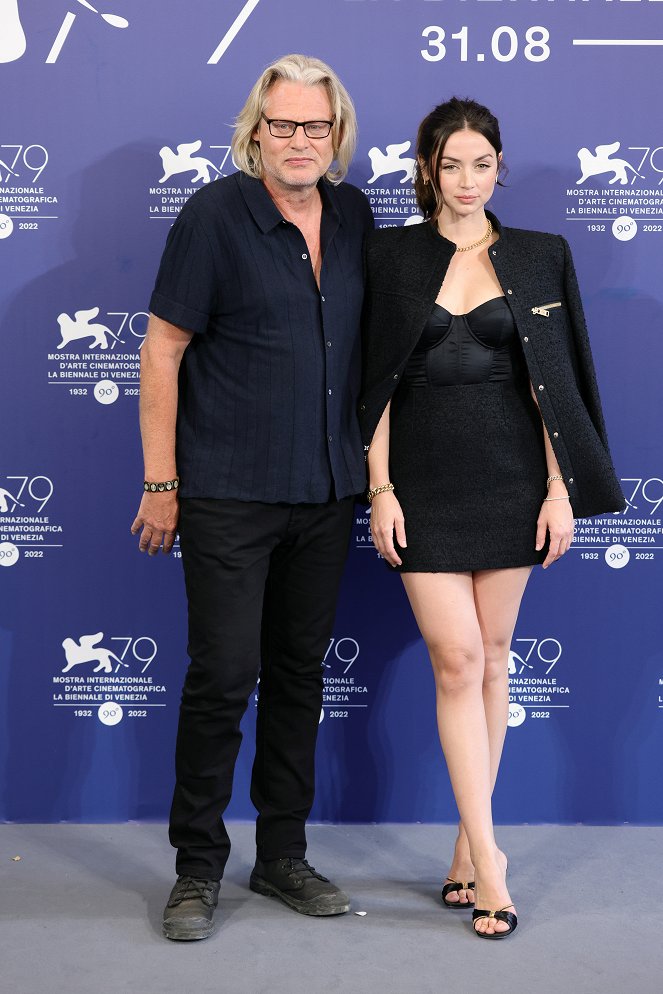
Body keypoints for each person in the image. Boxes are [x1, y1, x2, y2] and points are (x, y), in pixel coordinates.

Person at [359, 97, 624, 940]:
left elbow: (559, 383)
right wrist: (381, 491)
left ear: (497, 167)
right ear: (426, 170)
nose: (466, 181)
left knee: (496, 658)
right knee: (456, 658)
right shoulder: (391, 257)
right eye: (450, 165)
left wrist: (557, 492)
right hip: (423, 487)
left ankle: (466, 854)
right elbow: (373, 391)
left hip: (513, 482)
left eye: (481, 165)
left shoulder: (541, 256)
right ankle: (492, 860)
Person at [131, 54, 373, 941]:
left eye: (315, 126)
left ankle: (281, 857)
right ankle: (197, 870)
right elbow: (160, 350)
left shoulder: (351, 214)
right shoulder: (212, 216)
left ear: (335, 135)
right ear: (256, 131)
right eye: (283, 125)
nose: (299, 140)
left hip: (324, 492)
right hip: (228, 492)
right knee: (224, 676)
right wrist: (162, 482)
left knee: (300, 679)